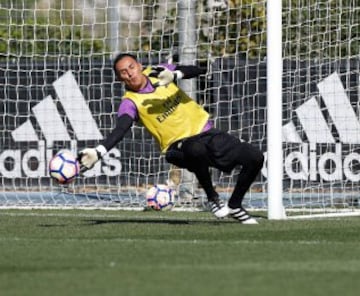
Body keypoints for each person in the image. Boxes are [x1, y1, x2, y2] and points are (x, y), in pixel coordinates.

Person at [78, 53, 264, 224]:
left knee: (255, 157)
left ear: (140, 66)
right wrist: (99, 151)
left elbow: (199, 70)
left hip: (207, 133)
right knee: (195, 149)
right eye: (123, 73)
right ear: (120, 79)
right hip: (177, 147)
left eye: (131, 67)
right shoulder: (130, 102)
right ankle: (212, 198)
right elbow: (120, 129)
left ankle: (235, 205)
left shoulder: (158, 72)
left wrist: (176, 75)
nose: (129, 74)